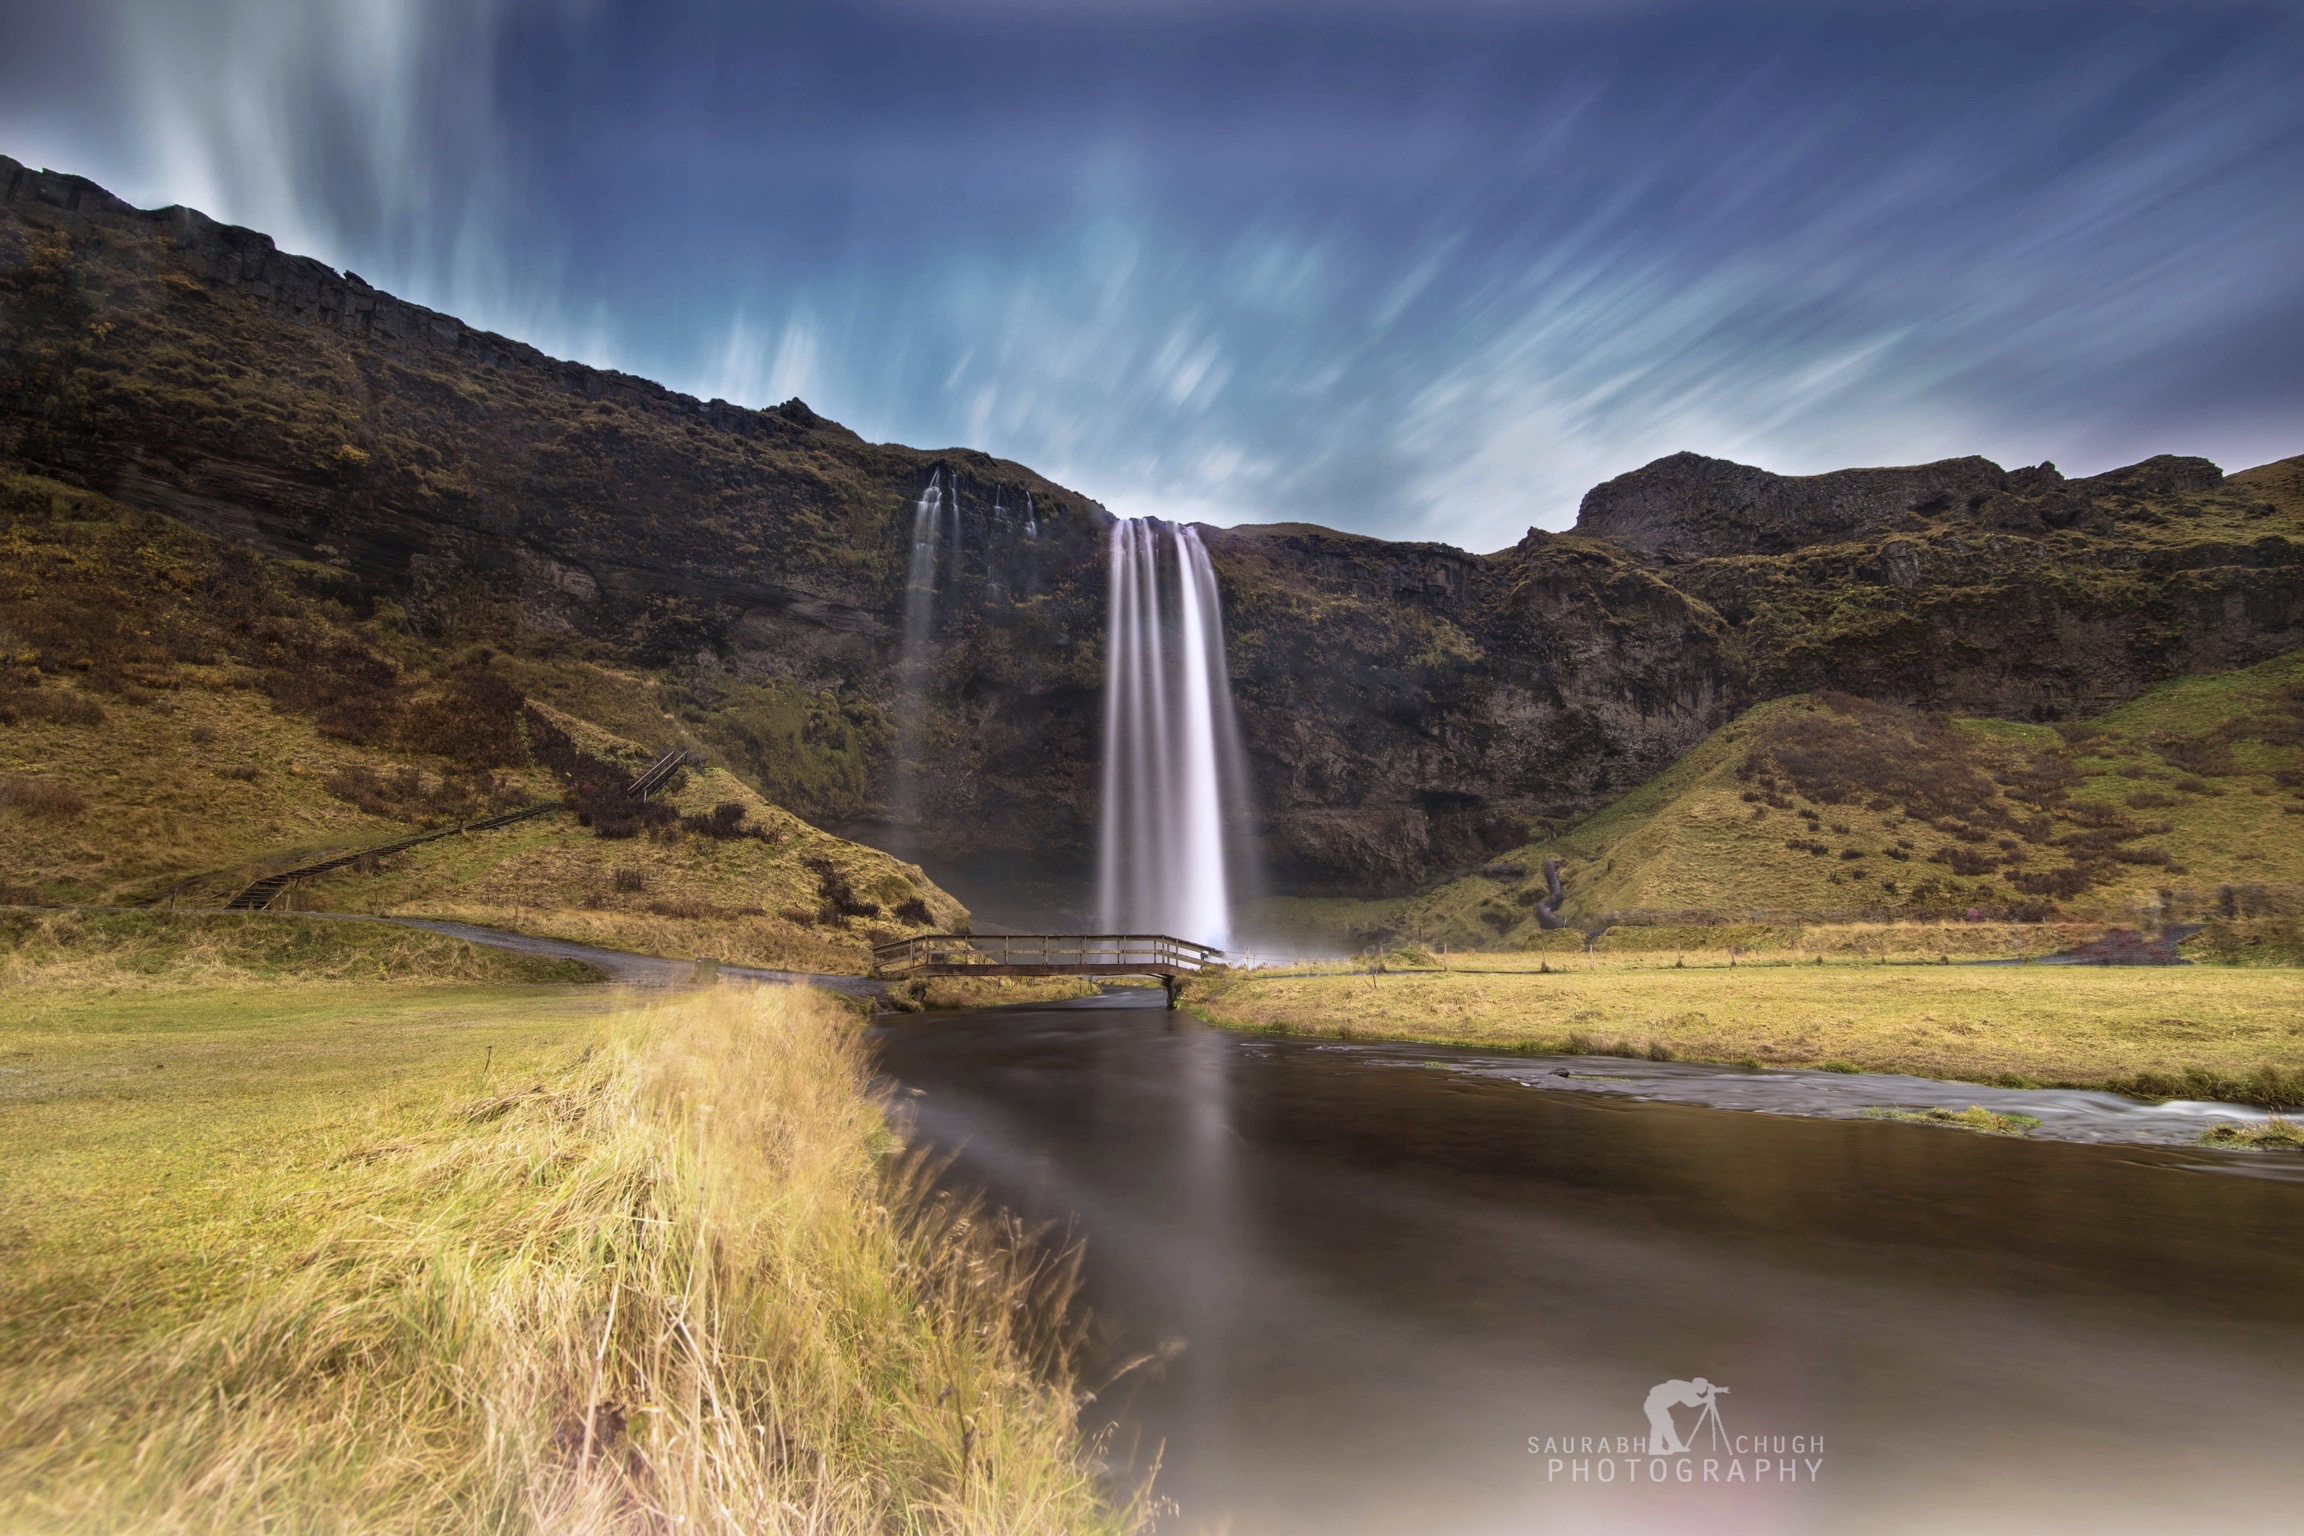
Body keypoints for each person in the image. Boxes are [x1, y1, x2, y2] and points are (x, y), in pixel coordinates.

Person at [1644, 1377, 1721, 1454]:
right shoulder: (1686, 1388)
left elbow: (1692, 1400)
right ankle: (1657, 1448)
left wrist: (1711, 1394)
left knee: (1666, 1425)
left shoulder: (1687, 1387)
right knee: (1660, 1425)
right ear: (1699, 1386)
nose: (1705, 1389)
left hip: (1657, 1406)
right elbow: (1691, 1403)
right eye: (1704, 1387)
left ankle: (1670, 1446)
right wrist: (1705, 1399)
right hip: (1654, 1406)